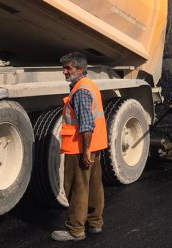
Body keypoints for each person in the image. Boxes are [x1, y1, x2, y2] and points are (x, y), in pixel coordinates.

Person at [51, 52, 108, 242]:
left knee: (77, 188)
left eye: (68, 68)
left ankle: (75, 230)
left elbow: (86, 124)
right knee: (94, 186)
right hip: (94, 146)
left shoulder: (81, 91)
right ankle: (94, 222)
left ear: (81, 70)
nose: (64, 72)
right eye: (64, 68)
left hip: (79, 148)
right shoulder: (89, 86)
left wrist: (85, 151)